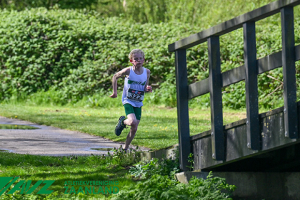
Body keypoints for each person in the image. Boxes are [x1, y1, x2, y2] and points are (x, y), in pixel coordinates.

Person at [109, 49, 152, 151]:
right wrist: (115, 92)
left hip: (138, 101)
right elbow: (115, 76)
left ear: (144, 60)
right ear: (131, 61)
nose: (139, 61)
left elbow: (145, 88)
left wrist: (148, 89)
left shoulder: (147, 72)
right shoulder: (128, 71)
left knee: (134, 127)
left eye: (140, 59)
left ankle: (125, 148)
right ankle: (123, 121)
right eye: (136, 59)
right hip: (128, 100)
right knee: (132, 121)